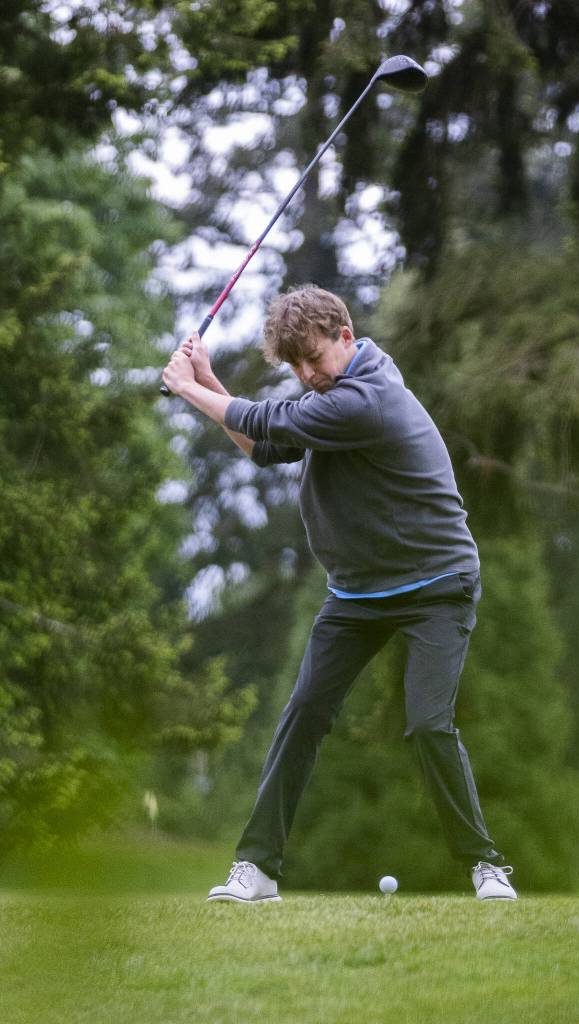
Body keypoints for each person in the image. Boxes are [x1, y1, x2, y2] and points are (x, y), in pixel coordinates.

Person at [162, 284, 517, 903]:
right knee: (303, 714)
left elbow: (270, 420)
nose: (306, 375)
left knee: (428, 725)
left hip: (437, 583)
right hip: (358, 593)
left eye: (314, 358)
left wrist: (190, 389)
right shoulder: (329, 395)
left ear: (346, 338)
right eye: (295, 366)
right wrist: (210, 382)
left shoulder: (369, 399)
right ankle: (258, 868)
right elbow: (269, 447)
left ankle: (485, 866)